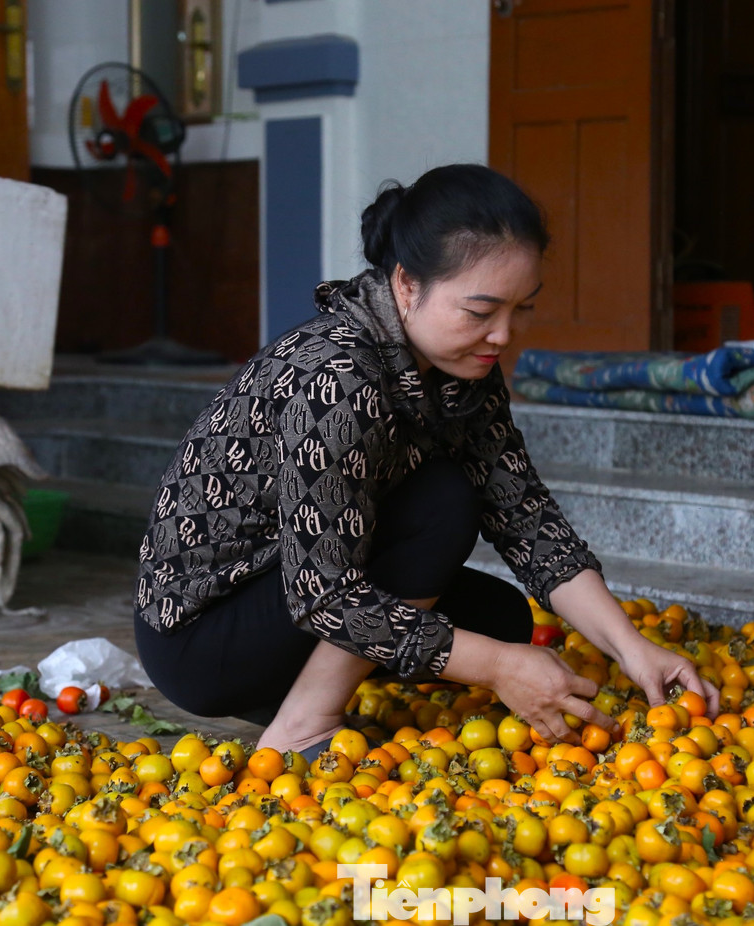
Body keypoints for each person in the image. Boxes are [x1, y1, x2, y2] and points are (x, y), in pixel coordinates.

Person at [134, 163, 718, 756]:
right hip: (204, 637)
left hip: (294, 596)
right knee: (442, 501)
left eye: (521, 309)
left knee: (499, 619)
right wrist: (496, 669)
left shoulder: (464, 369)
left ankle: (292, 693)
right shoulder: (338, 381)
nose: (503, 335)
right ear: (407, 285)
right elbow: (324, 594)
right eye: (481, 311)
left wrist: (631, 647)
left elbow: (526, 518)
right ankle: (300, 725)